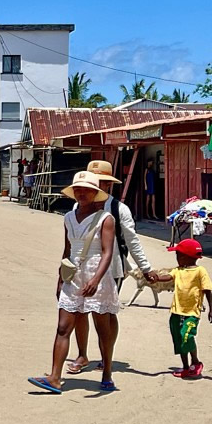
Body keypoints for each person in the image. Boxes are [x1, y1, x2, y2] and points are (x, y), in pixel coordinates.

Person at [28, 171, 120, 394]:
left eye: (86, 190)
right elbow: (67, 249)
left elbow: (108, 252)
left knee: (102, 327)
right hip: (74, 274)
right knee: (62, 327)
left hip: (97, 273)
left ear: (95, 193)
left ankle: (107, 372)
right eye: (77, 189)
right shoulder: (69, 217)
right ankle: (54, 377)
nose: (81, 193)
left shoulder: (105, 219)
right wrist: (60, 278)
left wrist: (96, 279)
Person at [66, 159, 159, 376]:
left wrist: (146, 268)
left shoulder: (119, 209)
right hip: (81, 269)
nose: (94, 186)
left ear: (108, 185)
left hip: (112, 268)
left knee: (105, 314)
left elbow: (132, 240)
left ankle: (106, 355)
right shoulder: (77, 206)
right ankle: (82, 354)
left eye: (100, 182)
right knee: (79, 312)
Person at [166, 238, 212, 378]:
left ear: (186, 257)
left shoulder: (200, 271)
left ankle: (196, 362)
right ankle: (185, 367)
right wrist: (154, 277)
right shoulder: (178, 270)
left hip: (191, 312)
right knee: (178, 339)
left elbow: (207, 290)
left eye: (178, 255)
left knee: (186, 336)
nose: (177, 258)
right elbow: (167, 277)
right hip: (176, 311)